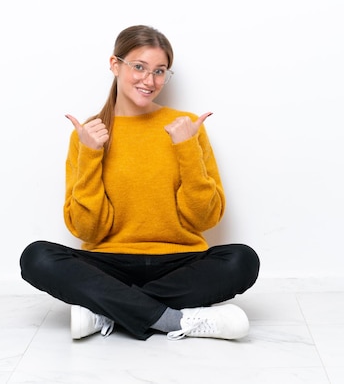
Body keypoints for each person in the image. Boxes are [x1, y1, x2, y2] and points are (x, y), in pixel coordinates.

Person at [20, 25, 260, 341]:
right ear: (115, 64)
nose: (149, 81)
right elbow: (87, 230)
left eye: (160, 71)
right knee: (36, 257)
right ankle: (175, 320)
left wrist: (186, 148)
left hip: (179, 262)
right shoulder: (89, 134)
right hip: (108, 263)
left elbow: (205, 218)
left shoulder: (186, 127)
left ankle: (105, 310)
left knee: (242, 260)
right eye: (139, 67)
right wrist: (91, 155)